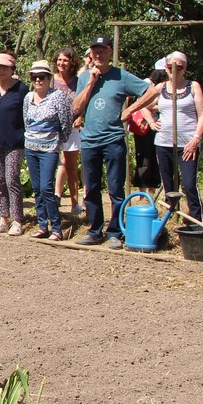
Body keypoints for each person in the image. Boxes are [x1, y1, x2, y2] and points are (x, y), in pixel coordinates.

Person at [73, 36, 149, 249]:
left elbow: (150, 91)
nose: (98, 55)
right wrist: (90, 82)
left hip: (113, 140)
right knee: (91, 189)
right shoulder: (85, 77)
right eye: (94, 51)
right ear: (91, 54)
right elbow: (76, 108)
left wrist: (131, 110)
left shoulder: (121, 76)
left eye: (102, 51)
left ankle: (115, 232)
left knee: (115, 189)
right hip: (89, 140)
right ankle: (95, 230)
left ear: (109, 53)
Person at [123, 51, 203, 224]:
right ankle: (171, 218)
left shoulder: (193, 86)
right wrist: (149, 121)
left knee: (189, 184)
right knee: (168, 184)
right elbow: (143, 103)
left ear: (185, 69)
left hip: (187, 144)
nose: (174, 70)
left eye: (179, 67)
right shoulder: (161, 88)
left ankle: (195, 221)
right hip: (164, 143)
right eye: (170, 67)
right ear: (166, 68)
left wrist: (196, 138)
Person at [23, 59, 73, 240]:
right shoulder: (28, 97)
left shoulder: (58, 96)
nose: (38, 80)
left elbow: (66, 122)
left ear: (49, 78)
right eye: (34, 77)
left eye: (42, 76)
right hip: (31, 147)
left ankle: (56, 227)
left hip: (49, 149)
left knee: (46, 187)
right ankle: (42, 225)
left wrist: (59, 142)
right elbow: (26, 121)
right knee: (37, 188)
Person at [0, 52, 29, 236]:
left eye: (4, 67)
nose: (1, 70)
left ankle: (17, 220)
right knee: (0, 181)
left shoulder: (22, 89)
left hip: (15, 142)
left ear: (12, 69)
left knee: (12, 179)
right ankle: (3, 218)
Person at [52, 47, 84, 215]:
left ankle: (75, 204)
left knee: (71, 166)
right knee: (50, 166)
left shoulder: (78, 82)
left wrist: (80, 117)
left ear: (72, 62)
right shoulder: (50, 80)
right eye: (59, 60)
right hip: (51, 129)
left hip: (71, 128)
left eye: (65, 60)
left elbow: (84, 101)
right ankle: (52, 201)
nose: (61, 63)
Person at [129, 69, 167, 193]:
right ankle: (142, 191)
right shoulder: (147, 84)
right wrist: (162, 107)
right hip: (143, 126)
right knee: (144, 158)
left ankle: (152, 189)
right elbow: (143, 104)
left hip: (155, 126)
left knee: (153, 158)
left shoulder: (162, 87)